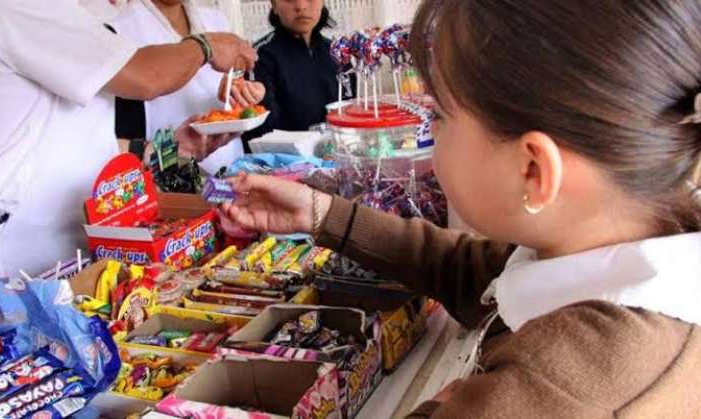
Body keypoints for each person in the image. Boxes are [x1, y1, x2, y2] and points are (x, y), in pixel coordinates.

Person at [220, 1, 701, 417]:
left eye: (439, 116)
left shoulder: (560, 389)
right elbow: (477, 272)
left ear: (533, 169)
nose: (428, 137)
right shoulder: (635, 242)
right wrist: (321, 213)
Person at [0, 0, 256, 277]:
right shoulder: (16, 5)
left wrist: (176, 147)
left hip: (91, 230)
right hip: (28, 248)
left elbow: (84, 139)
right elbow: (146, 76)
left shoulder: (81, 16)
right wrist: (205, 46)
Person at [113, 0, 266, 174]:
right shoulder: (121, 26)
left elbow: (233, 80)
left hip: (230, 165)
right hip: (167, 172)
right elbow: (124, 129)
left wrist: (239, 89)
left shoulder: (215, 19)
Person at [241, 0, 353, 146]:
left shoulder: (338, 53)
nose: (301, 6)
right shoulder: (259, 57)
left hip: (339, 155)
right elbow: (260, 133)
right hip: (285, 163)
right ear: (274, 5)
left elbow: (350, 112)